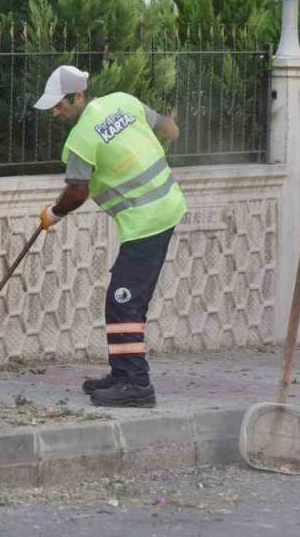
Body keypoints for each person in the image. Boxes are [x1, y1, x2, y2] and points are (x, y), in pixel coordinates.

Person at [33, 65, 185, 408]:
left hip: (146, 221)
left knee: (123, 300)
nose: (56, 112)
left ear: (79, 95)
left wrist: (52, 215)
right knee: (124, 298)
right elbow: (170, 129)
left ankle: (137, 385)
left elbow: (76, 193)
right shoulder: (124, 101)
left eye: (60, 104)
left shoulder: (80, 141)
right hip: (167, 205)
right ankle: (121, 373)